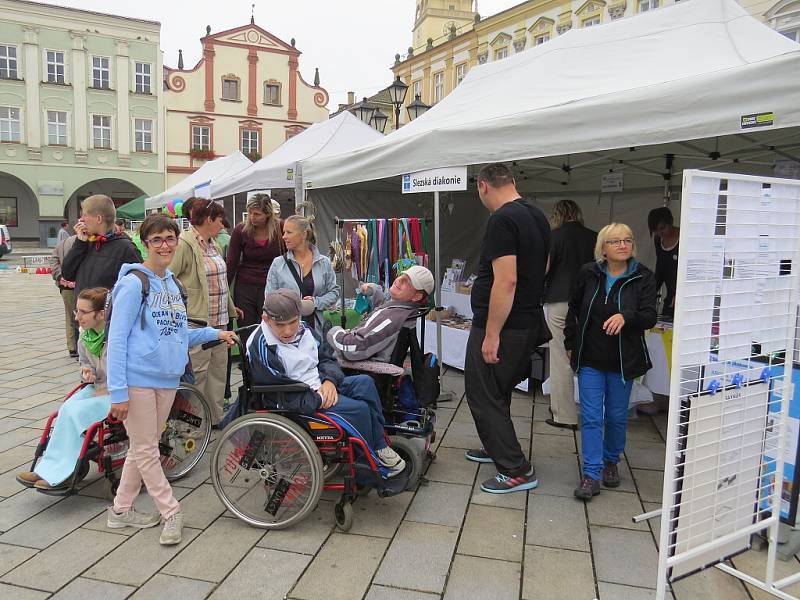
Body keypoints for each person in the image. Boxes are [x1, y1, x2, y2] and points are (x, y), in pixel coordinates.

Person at [105, 214, 236, 544]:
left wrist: (215, 333)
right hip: (137, 379)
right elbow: (117, 339)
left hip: (167, 379)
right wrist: (117, 392)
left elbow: (179, 333)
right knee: (148, 449)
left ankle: (120, 511)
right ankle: (171, 512)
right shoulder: (134, 283)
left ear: (177, 241)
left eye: (170, 238)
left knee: (141, 447)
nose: (165, 245)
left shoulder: (174, 284)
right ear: (144, 243)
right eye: (156, 240)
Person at [248, 288, 405, 477]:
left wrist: (329, 381)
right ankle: (367, 464)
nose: (288, 330)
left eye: (293, 322)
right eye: (280, 325)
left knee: (365, 383)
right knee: (359, 409)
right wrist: (318, 398)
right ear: (267, 320)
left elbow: (327, 359)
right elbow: (275, 389)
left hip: (317, 384)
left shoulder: (305, 330)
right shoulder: (261, 345)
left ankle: (379, 444)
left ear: (299, 316)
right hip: (295, 398)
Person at [464, 163, 551, 494]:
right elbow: (543, 266)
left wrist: (491, 332)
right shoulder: (535, 214)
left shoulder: (501, 219)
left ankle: (515, 469)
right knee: (497, 390)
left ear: (483, 187)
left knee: (482, 392)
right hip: (528, 319)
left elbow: (507, 279)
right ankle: (496, 447)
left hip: (506, 325)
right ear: (512, 182)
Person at [564, 223, 657, 500]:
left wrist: (627, 316)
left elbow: (650, 315)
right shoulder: (588, 273)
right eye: (615, 241)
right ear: (603, 248)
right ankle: (591, 474)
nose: (623, 246)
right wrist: (571, 343)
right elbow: (573, 310)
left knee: (616, 417)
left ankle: (611, 460)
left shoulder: (643, 277)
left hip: (623, 360)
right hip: (590, 357)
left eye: (627, 240)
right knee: (592, 417)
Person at [16, 287, 112, 491]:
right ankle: (48, 468)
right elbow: (85, 363)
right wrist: (87, 371)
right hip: (96, 388)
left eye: (83, 312)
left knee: (72, 412)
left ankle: (62, 473)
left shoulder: (116, 339)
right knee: (62, 412)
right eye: (77, 311)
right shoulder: (86, 337)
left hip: (117, 394)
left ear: (101, 314)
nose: (78, 317)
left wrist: (109, 388)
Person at [169, 199, 243, 427]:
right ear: (209, 219)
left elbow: (220, 281)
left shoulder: (213, 244)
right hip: (197, 322)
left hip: (219, 320)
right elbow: (169, 277)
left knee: (218, 372)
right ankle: (193, 421)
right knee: (198, 373)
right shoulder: (184, 243)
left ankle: (215, 416)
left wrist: (231, 308)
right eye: (220, 221)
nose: (223, 226)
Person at [543, 200, 597, 431]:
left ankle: (564, 414)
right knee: (588, 356)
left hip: (560, 301)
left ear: (557, 215)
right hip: (589, 302)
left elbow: (544, 269)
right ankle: (592, 411)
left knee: (561, 358)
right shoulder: (595, 237)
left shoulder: (554, 237)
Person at [326, 266, 434, 362]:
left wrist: (334, 331)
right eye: (402, 275)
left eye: (407, 281)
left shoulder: (392, 318)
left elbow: (355, 348)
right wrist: (374, 290)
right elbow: (384, 307)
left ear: (417, 297)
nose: (399, 279)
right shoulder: (404, 310)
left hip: (352, 367)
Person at [265, 215, 338, 335]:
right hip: (287, 333)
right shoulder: (278, 264)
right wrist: (290, 307)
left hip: (317, 331)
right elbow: (269, 298)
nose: (284, 237)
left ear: (304, 234)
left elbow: (334, 292)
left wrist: (315, 303)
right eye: (284, 232)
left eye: (289, 232)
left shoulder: (324, 262)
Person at [61, 194, 142, 301]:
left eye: (84, 215)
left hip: (107, 316)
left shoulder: (125, 248)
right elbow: (68, 274)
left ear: (98, 219)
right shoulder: (85, 243)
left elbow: (137, 287)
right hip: (81, 314)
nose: (81, 219)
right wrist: (79, 244)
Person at [227, 194, 284, 327]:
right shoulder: (240, 230)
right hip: (245, 287)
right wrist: (225, 293)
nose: (252, 217)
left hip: (272, 286)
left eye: (257, 214)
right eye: (250, 213)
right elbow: (231, 264)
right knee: (246, 329)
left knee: (270, 327)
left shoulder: (281, 228)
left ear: (268, 214)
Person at [647, 206, 679, 318]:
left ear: (671, 222)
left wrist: (680, 293)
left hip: (685, 296)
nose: (660, 233)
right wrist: (650, 292)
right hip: (670, 297)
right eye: (656, 230)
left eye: (663, 228)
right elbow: (660, 269)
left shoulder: (685, 238)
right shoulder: (658, 241)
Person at [52, 233, 78, 357]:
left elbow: (54, 266)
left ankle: (72, 346)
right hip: (82, 284)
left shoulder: (60, 245)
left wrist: (61, 278)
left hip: (65, 287)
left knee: (70, 316)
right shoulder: (87, 242)